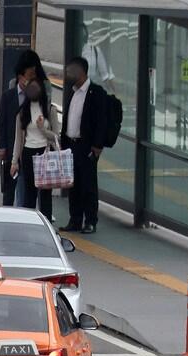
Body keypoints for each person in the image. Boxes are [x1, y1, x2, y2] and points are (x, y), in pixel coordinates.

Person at [61, 56, 108, 235]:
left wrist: (97, 146)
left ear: (81, 72)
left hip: (86, 146)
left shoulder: (96, 93)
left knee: (88, 184)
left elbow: (101, 122)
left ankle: (90, 220)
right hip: (71, 145)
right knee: (73, 185)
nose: (68, 74)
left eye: (71, 71)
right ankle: (75, 219)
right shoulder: (73, 92)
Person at [0, 51, 42, 206]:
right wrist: (1, 146)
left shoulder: (36, 96)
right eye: (28, 76)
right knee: (9, 186)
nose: (31, 79)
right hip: (10, 146)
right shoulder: (8, 96)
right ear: (20, 77)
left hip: (29, 148)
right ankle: (7, 211)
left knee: (28, 186)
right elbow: (1, 122)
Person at [10, 76, 58, 221]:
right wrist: (14, 161)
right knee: (29, 192)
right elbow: (18, 139)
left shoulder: (50, 110)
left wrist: (42, 128)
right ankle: (29, 222)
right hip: (28, 153)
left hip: (45, 153)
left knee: (45, 194)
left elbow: (56, 136)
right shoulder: (22, 112)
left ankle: (47, 222)